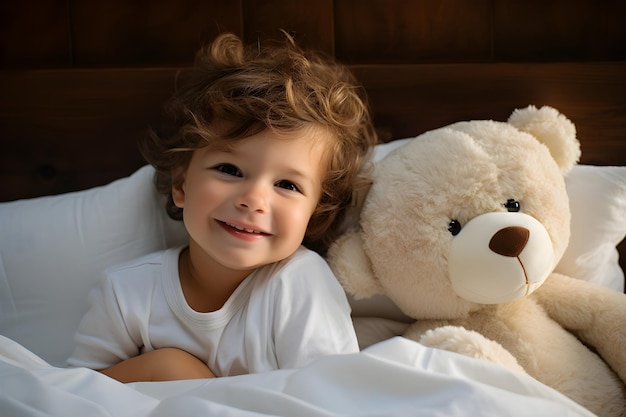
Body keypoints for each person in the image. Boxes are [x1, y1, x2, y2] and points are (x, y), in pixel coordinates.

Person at [67, 32, 378, 383]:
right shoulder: (126, 293)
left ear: (313, 214)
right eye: (229, 170)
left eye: (287, 185)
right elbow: (73, 394)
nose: (253, 199)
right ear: (182, 185)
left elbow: (333, 396)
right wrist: (165, 370)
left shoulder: (300, 285)